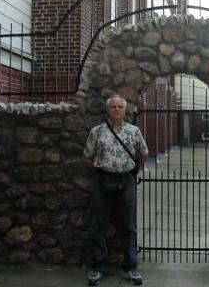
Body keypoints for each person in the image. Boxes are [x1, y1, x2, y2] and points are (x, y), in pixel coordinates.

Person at [83, 94, 148, 285]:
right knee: (98, 226)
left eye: (120, 107)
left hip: (126, 182)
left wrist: (132, 170)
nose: (117, 110)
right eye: (114, 107)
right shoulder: (97, 132)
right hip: (102, 182)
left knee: (129, 227)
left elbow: (144, 154)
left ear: (125, 110)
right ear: (108, 109)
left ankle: (131, 267)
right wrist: (101, 170)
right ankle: (97, 267)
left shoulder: (134, 131)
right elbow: (87, 156)